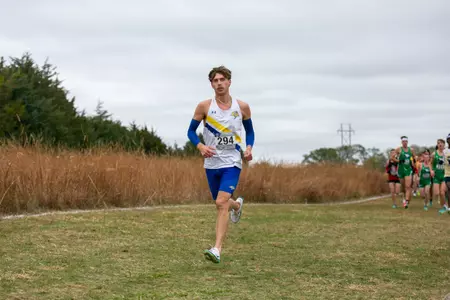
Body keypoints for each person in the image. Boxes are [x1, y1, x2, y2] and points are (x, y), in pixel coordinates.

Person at [187, 65, 255, 263]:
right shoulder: (204, 107)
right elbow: (190, 132)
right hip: (211, 163)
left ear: (229, 82)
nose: (219, 84)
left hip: (232, 162)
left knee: (220, 203)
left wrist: (248, 147)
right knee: (222, 202)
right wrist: (200, 146)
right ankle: (236, 206)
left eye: (222, 80)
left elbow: (249, 131)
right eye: (215, 81)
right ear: (211, 84)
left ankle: (217, 249)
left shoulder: (241, 107)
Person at [393, 136, 416, 209]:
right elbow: (392, 157)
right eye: (403, 141)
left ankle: (406, 201)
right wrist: (399, 161)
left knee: (408, 186)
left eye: (406, 141)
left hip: (408, 169)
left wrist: (413, 161)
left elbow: (414, 157)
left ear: (407, 142)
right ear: (401, 142)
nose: (404, 143)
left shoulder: (411, 150)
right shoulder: (398, 149)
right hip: (401, 170)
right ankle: (405, 197)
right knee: (403, 187)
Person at [431, 139, 447, 213]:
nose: (440, 144)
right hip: (436, 175)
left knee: (442, 192)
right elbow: (430, 163)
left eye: (441, 143)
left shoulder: (446, 153)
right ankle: (444, 205)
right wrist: (431, 170)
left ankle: (444, 207)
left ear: (444, 144)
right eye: (438, 143)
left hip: (444, 175)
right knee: (436, 193)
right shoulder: (434, 154)